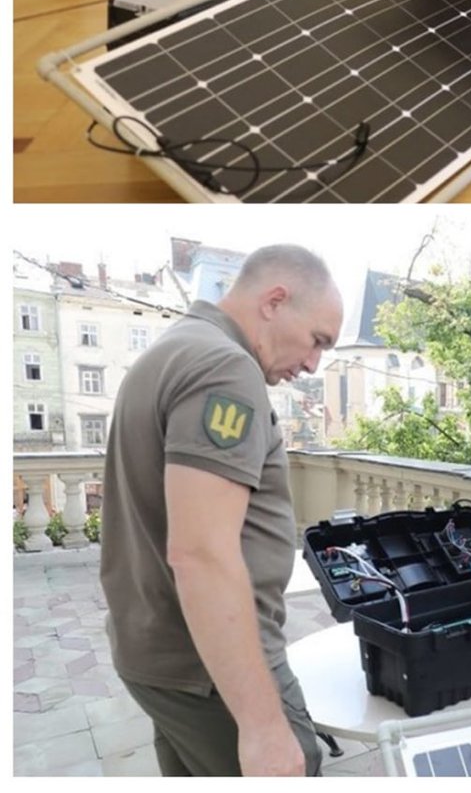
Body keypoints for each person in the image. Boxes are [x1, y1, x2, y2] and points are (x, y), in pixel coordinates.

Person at [100, 244, 344, 777]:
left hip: (161, 655)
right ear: (275, 301)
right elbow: (202, 555)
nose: (311, 364)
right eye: (317, 341)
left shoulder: (173, 348)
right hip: (210, 669)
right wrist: (262, 728)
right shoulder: (223, 369)